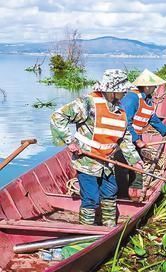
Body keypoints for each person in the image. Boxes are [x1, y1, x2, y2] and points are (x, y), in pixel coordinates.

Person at [50, 69, 143, 227]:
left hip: (107, 162)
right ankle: (85, 233)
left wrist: (135, 161)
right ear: (113, 91)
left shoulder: (120, 111)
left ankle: (109, 229)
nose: (125, 94)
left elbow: (125, 138)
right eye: (122, 91)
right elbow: (57, 116)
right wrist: (69, 141)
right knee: (91, 198)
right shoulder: (88, 103)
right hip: (87, 161)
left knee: (110, 193)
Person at [119, 69, 166, 199]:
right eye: (153, 86)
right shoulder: (132, 98)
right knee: (126, 166)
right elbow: (124, 122)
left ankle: (134, 195)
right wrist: (136, 140)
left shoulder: (148, 99)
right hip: (124, 139)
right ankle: (123, 196)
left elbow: (153, 118)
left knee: (136, 166)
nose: (155, 88)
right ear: (146, 86)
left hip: (136, 137)